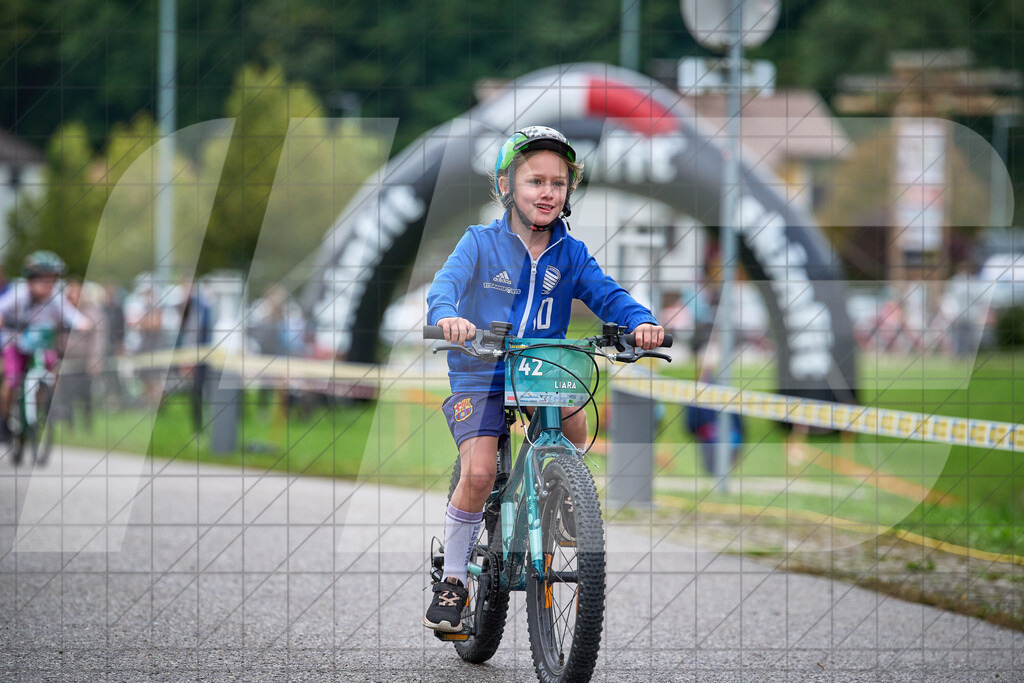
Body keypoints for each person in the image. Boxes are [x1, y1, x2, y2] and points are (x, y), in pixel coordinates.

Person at [422, 126, 665, 632]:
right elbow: (444, 287)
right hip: (481, 368)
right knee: (481, 472)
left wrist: (639, 321)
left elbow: (608, 293)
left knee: (574, 425)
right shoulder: (480, 243)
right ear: (507, 185)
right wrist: (449, 316)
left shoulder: (570, 253)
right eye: (535, 181)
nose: (548, 192)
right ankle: (453, 580)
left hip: (542, 367)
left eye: (559, 183)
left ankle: (560, 492)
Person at [0, 251, 90, 443]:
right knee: (12, 379)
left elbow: (71, 314)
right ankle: (4, 418)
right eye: (42, 279)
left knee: (53, 370)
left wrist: (83, 323)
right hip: (16, 343)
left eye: (51, 280)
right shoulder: (18, 293)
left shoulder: (56, 298)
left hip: (42, 344)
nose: (47, 284)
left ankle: (46, 404)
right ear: (30, 280)